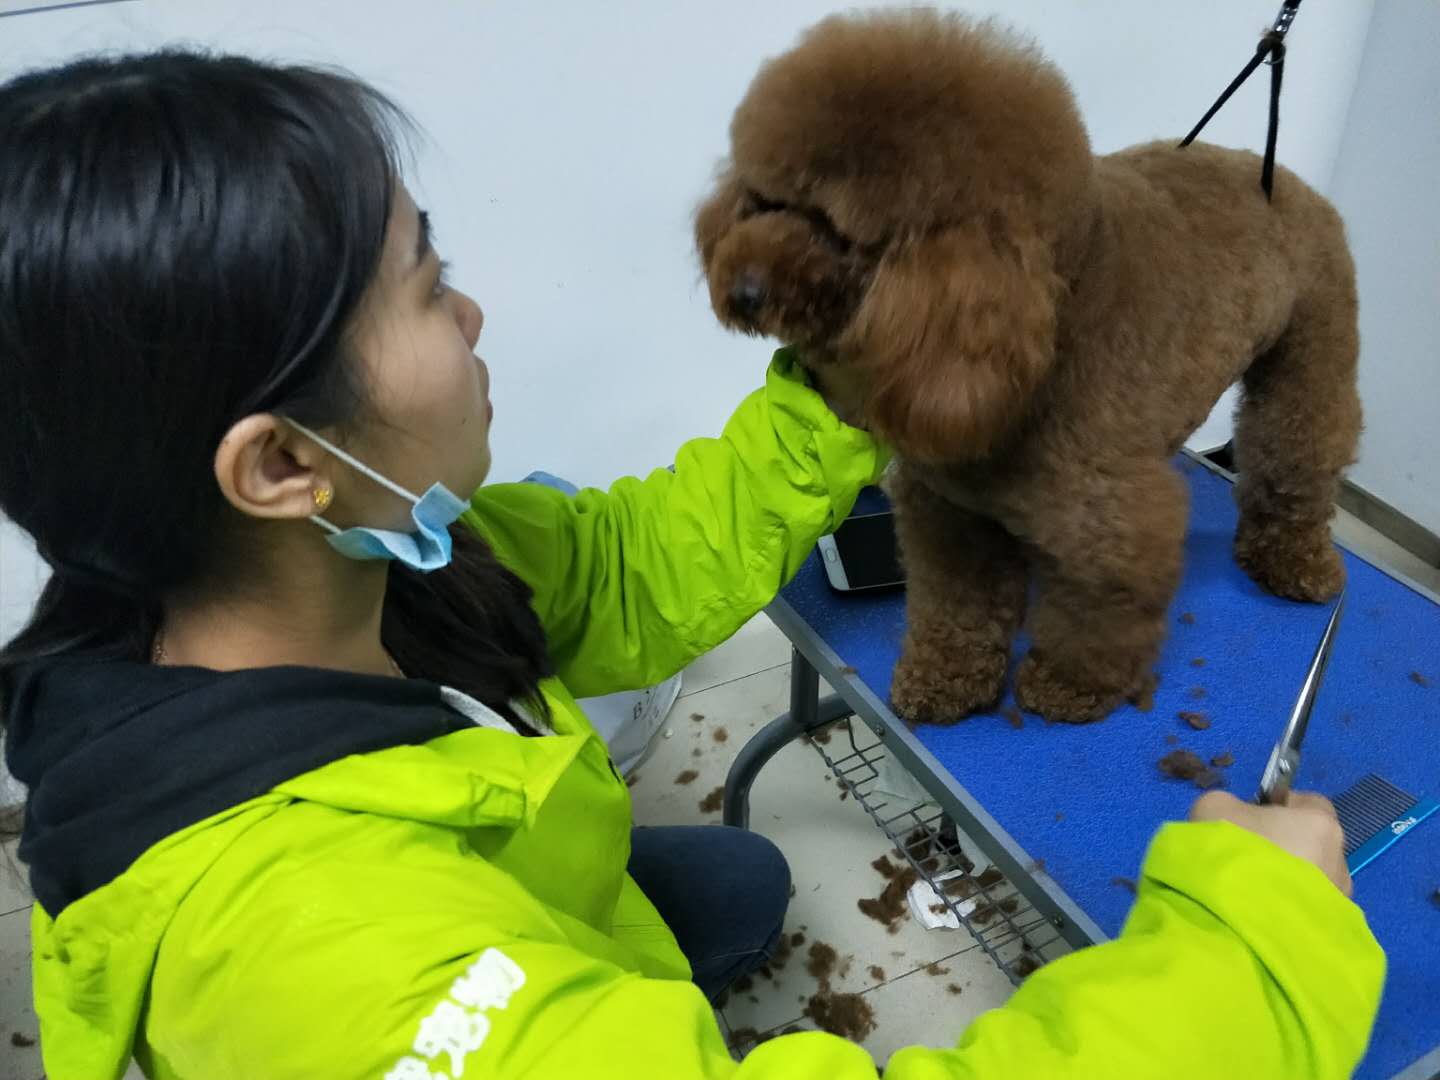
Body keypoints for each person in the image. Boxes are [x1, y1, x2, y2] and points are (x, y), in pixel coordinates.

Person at [0, 52, 1381, 1080]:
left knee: (734, 886)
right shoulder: (329, 968)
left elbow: (631, 565)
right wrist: (1251, 941)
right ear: (283, 466)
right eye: (426, 287)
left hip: (540, 874)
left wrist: (850, 376)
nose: (473, 309)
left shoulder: (345, 568)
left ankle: (612, 944)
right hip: (420, 976)